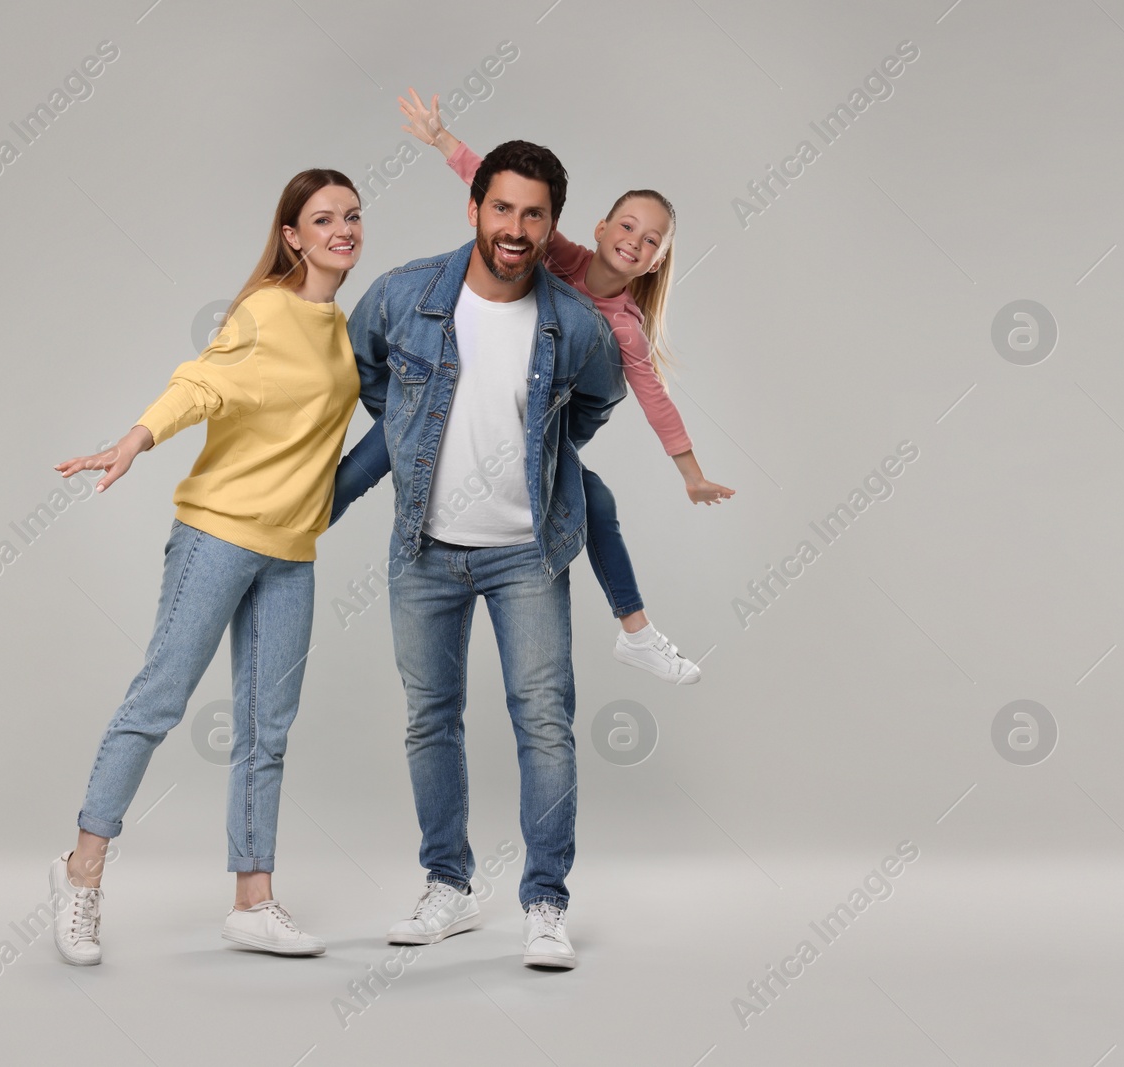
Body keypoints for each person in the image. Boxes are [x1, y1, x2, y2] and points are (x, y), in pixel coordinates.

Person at [46, 169, 364, 964]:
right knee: (158, 700)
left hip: (292, 553)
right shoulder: (264, 311)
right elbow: (201, 384)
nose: (342, 229)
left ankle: (252, 901)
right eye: (323, 218)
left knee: (268, 729)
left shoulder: (347, 330)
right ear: (292, 235)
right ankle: (81, 873)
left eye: (353, 217)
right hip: (218, 536)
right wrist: (134, 440)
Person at [331, 139, 625, 969]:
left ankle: (545, 902)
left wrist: (540, 448)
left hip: (528, 553)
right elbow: (361, 373)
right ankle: (448, 888)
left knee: (545, 725)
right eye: (503, 207)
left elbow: (598, 400)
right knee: (430, 721)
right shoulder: (405, 294)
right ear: (474, 209)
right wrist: (408, 431)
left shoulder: (575, 324)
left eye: (534, 213)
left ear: (552, 224)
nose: (516, 227)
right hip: (425, 547)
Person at [334, 90, 734, 686]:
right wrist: (442, 138)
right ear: (600, 228)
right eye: (628, 226)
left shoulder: (621, 326)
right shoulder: (560, 252)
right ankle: (291, 526)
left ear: (656, 262)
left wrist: (691, 473)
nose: (635, 241)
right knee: (386, 439)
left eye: (652, 241)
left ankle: (638, 632)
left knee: (595, 502)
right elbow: (497, 190)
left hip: (533, 430)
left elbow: (653, 400)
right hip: (467, 405)